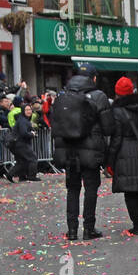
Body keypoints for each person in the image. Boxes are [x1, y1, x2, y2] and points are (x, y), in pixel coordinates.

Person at [51, 65, 113, 240]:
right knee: (91, 189)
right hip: (91, 150)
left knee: (72, 189)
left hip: (69, 150)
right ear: (93, 78)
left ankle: (71, 230)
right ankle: (88, 228)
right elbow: (108, 127)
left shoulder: (64, 95)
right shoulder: (99, 96)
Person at [107, 77, 138, 235]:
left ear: (118, 93)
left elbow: (116, 138)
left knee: (130, 193)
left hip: (124, 152)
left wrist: (110, 160)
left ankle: (137, 225)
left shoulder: (117, 112)